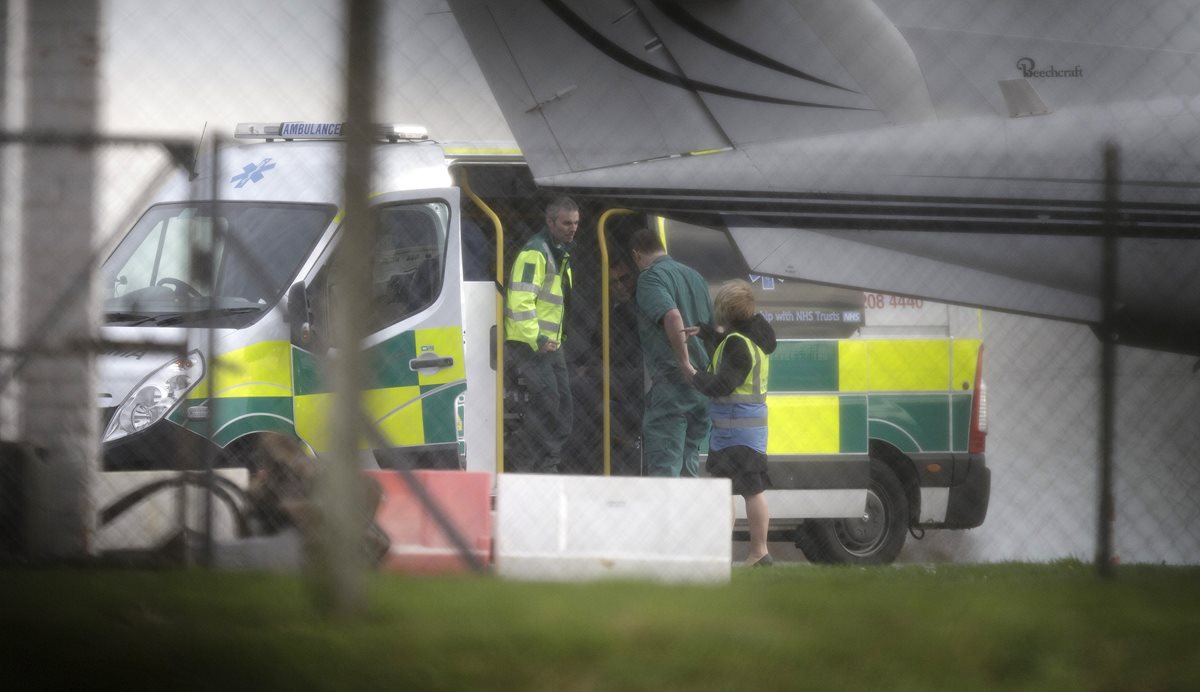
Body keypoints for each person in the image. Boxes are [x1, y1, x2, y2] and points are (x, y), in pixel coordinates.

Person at [691, 279, 777, 567]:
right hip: (747, 431)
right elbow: (731, 353)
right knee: (749, 489)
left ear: (725, 310)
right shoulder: (752, 339)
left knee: (731, 490)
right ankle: (757, 552)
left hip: (734, 431)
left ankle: (750, 552)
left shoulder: (737, 343)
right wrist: (706, 333)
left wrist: (693, 375)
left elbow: (722, 384)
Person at [629, 227, 714, 478]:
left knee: (665, 467)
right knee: (689, 462)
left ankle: (666, 508)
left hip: (673, 385)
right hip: (700, 386)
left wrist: (685, 363)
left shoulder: (650, 278)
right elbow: (711, 327)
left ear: (636, 255)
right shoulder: (695, 277)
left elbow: (673, 315)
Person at [503, 196, 579, 473]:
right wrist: (537, 338)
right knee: (548, 405)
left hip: (550, 343)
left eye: (576, 223)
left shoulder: (558, 252)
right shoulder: (536, 253)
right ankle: (530, 464)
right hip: (531, 343)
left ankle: (546, 464)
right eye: (566, 223)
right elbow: (520, 301)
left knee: (562, 407)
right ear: (550, 221)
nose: (573, 228)